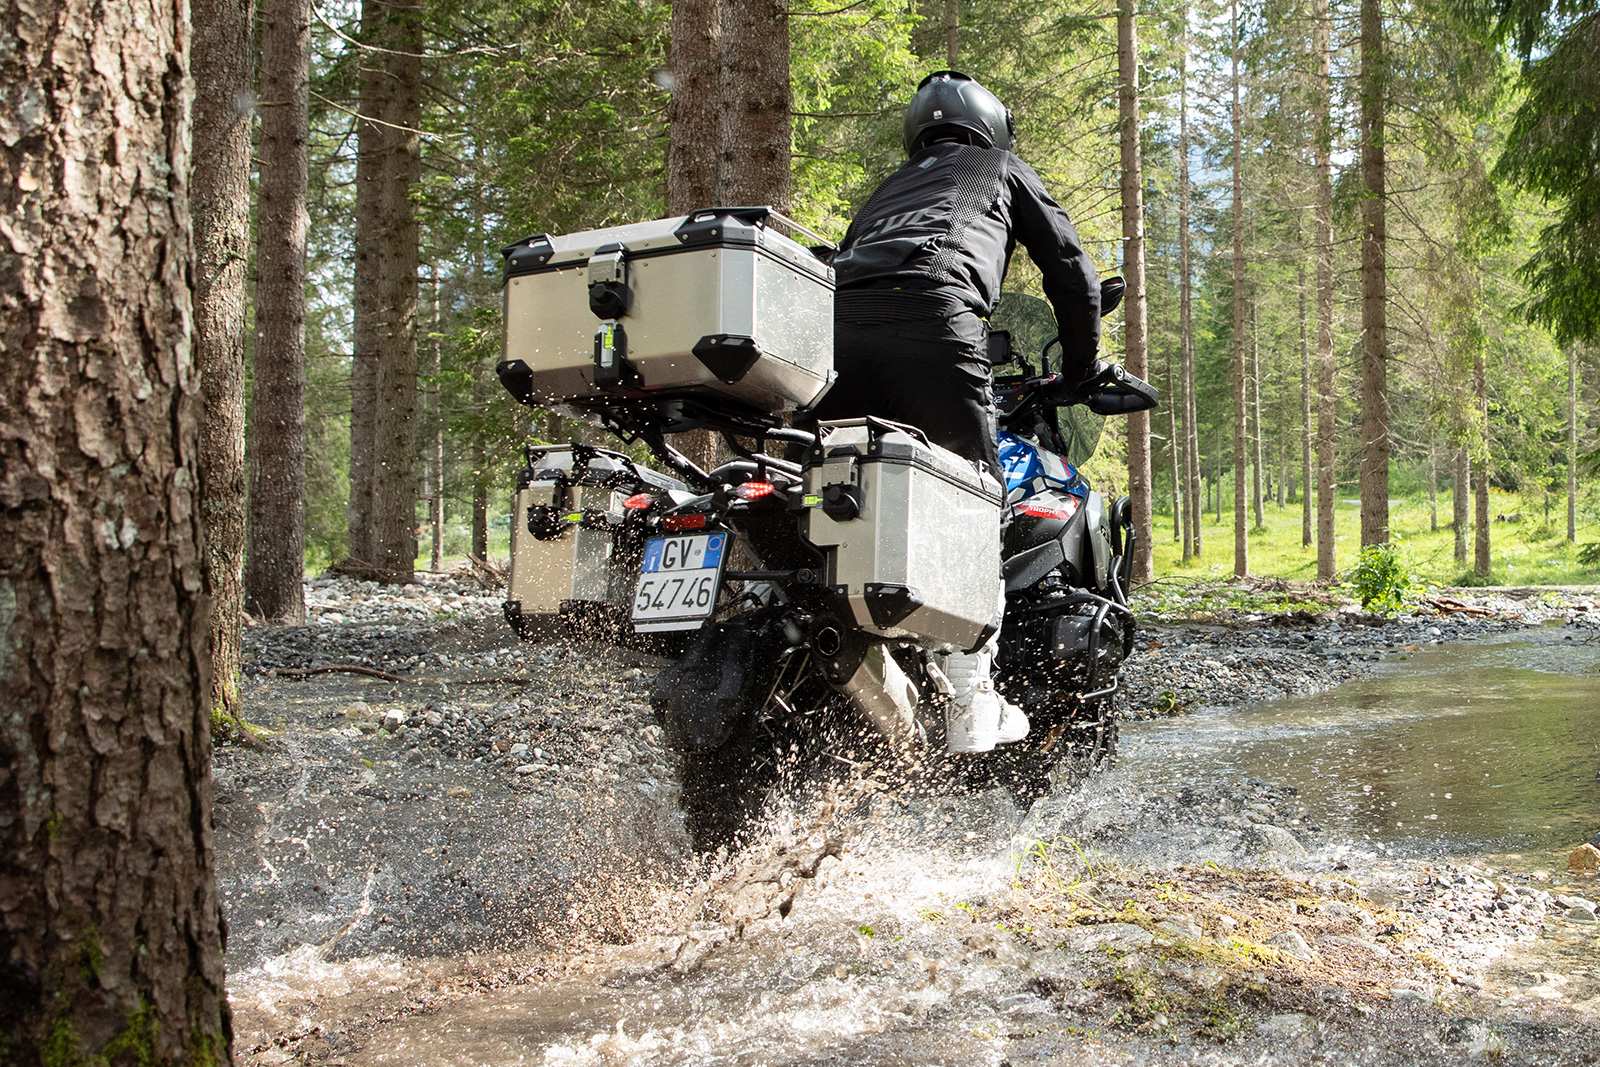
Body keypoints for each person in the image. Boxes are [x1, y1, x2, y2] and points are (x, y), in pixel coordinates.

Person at [808, 70, 1113, 754]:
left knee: (836, 494)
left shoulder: (887, 192)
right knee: (975, 502)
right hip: (935, 325)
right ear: (991, 127)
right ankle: (972, 702)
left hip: (832, 342)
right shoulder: (1000, 167)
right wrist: (1083, 369)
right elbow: (1071, 270)